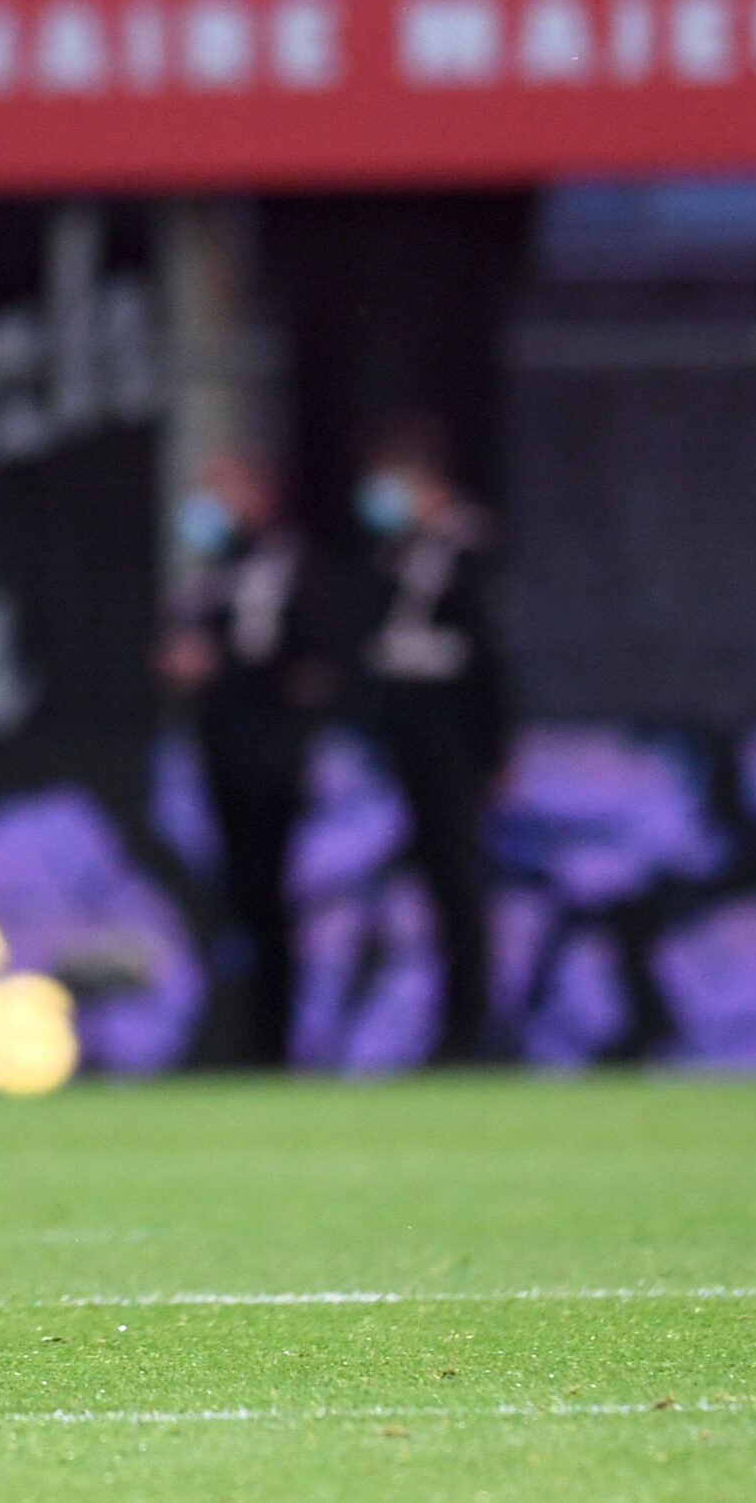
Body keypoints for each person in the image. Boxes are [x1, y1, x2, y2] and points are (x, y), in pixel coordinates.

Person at [159, 450, 335, 1067]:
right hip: (224, 752)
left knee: (269, 896)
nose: (208, 504)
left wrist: (221, 664)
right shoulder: (216, 568)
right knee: (239, 897)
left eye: (222, 489)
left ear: (260, 495)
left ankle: (275, 1042)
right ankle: (246, 1036)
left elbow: (307, 661)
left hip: (269, 756)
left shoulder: (283, 563)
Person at [347, 417, 515, 1065]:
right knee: (434, 887)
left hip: (454, 744)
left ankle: (471, 1027)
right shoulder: (394, 555)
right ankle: (449, 1024)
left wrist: (495, 750)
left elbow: (490, 660)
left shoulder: (467, 549)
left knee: (460, 884)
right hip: (408, 743)